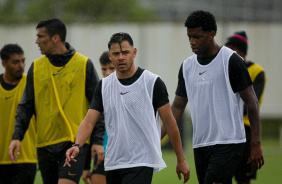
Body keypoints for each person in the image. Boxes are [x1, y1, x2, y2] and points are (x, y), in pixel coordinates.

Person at [64, 32, 190, 184]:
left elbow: (170, 123)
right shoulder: (103, 86)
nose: (121, 57)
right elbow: (89, 121)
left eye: (125, 52)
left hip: (142, 161)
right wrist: (77, 145)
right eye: (116, 54)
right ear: (110, 56)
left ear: (134, 52)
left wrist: (181, 160)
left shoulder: (152, 82)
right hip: (113, 163)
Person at [163, 10, 264, 184]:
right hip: (201, 145)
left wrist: (255, 142)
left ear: (212, 34)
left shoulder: (231, 60)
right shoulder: (187, 67)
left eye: (197, 37)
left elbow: (252, 102)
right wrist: (157, 136)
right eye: (189, 37)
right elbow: (178, 106)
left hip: (230, 142)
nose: (192, 42)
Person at [8, 18, 105, 184]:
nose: (36, 41)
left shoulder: (83, 65)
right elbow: (26, 106)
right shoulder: (36, 67)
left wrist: (97, 141)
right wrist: (17, 136)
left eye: (40, 36)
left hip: (74, 144)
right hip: (45, 145)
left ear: (55, 38)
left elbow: (97, 106)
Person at [225, 31, 267, 184]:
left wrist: (225, 111)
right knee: (223, 177)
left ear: (239, 50)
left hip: (247, 130)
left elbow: (251, 103)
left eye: (229, 48)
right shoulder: (225, 69)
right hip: (227, 131)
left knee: (243, 178)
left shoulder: (257, 72)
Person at [0, 44, 37, 184]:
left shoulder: (31, 84)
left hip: (26, 157)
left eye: (23, 61)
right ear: (4, 63)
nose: (21, 65)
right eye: (16, 62)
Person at [82, 51, 114, 184]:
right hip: (101, 155)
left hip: (124, 158)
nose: (107, 72)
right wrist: (85, 167)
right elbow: (89, 128)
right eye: (104, 69)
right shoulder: (97, 94)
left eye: (111, 68)